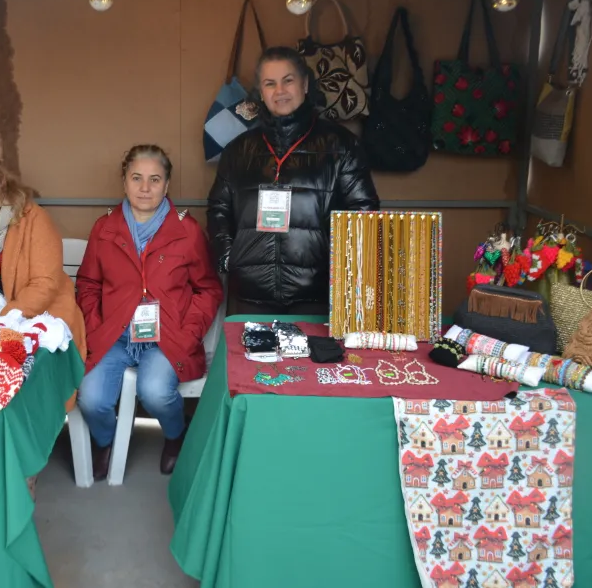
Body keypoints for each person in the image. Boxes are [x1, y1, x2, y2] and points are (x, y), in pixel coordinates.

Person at [76, 145, 223, 478]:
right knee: (91, 399)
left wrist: (188, 332)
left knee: (155, 392)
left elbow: (209, 289)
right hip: (115, 336)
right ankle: (106, 441)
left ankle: (175, 435)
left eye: (155, 179)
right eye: (137, 178)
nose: (145, 188)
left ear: (166, 185)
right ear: (124, 182)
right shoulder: (104, 228)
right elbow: (88, 284)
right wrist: (96, 326)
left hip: (166, 338)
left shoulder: (187, 231)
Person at [207, 46, 380, 315]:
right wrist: (230, 259)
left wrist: (341, 273)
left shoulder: (341, 145)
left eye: (288, 80)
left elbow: (363, 214)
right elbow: (218, 208)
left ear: (305, 84)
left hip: (318, 297)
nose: (280, 91)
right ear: (261, 92)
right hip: (250, 296)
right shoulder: (238, 151)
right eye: (270, 83)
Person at [0, 150, 87, 364]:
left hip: (44, 322)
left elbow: (44, 285)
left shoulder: (33, 218)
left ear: (1, 181)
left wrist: (3, 321)